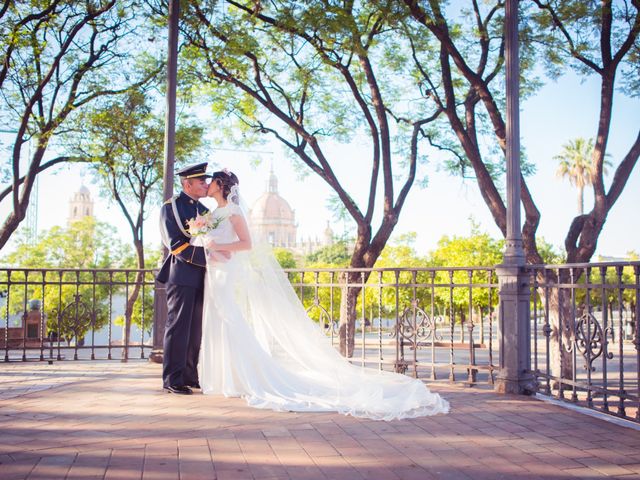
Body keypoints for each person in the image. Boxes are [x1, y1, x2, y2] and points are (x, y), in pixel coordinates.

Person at [195, 169, 449, 420]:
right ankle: (225, 376)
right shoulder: (214, 213)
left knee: (230, 319)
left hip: (224, 272)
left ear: (221, 184)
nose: (206, 184)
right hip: (215, 271)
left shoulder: (234, 211)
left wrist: (216, 245)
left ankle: (242, 376)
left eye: (211, 181)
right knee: (219, 319)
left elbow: (246, 244)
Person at [157, 162, 214, 395]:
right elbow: (176, 245)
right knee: (178, 327)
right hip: (181, 275)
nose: (205, 184)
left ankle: (190, 375)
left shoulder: (205, 211)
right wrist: (210, 257)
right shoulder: (171, 207)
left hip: (203, 277)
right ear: (187, 183)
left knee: (195, 329)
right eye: (201, 181)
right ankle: (173, 378)